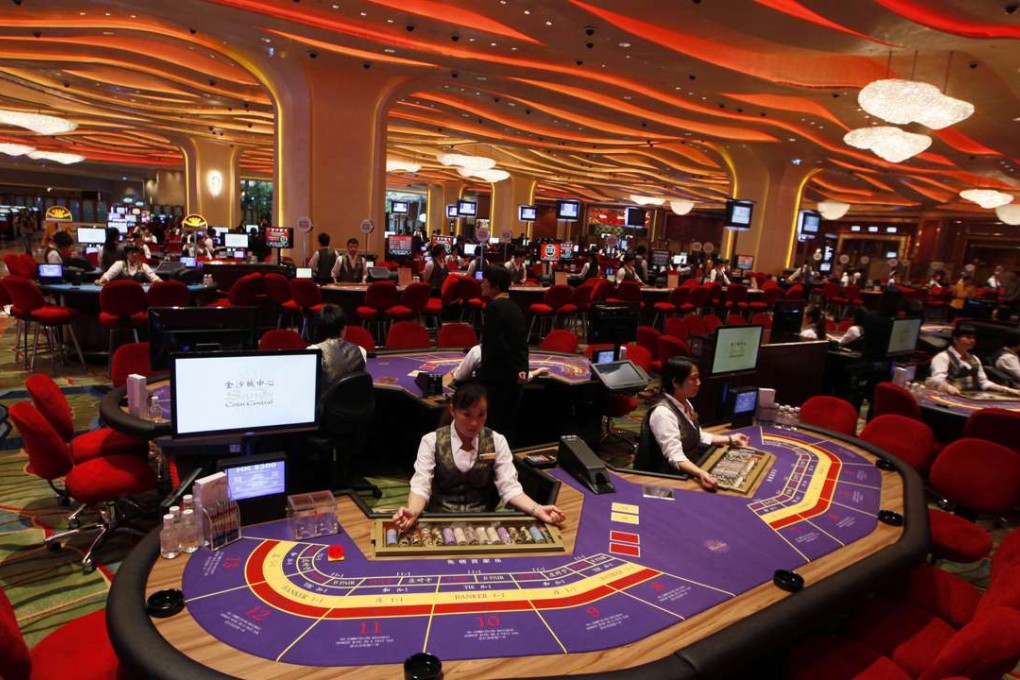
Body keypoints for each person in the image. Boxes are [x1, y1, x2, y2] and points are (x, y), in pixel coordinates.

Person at [392, 382, 565, 527]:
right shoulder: (431, 441)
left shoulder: (497, 440)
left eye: (481, 414)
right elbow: (421, 487)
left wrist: (537, 509)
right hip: (440, 522)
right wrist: (413, 511)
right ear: (452, 411)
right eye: (467, 415)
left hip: (485, 523)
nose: (474, 423)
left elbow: (509, 488)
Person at [636, 357, 750, 489]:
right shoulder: (663, 413)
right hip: (666, 479)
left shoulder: (685, 402)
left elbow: (697, 435)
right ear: (676, 382)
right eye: (693, 379)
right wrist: (701, 473)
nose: (699, 383)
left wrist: (730, 438)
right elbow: (675, 457)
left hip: (688, 469)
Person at [478, 265, 528, 444]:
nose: (482, 284)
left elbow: (494, 347)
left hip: (496, 378)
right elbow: (521, 343)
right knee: (507, 424)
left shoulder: (495, 307)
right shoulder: (514, 305)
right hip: (512, 377)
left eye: (485, 282)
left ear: (496, 286)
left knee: (494, 425)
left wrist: (481, 377)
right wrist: (522, 368)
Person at [925, 324, 1020, 396]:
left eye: (974, 338)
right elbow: (937, 380)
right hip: (949, 396)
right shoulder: (943, 357)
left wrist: (1007, 390)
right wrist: (948, 387)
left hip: (971, 396)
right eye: (968, 337)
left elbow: (983, 383)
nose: (972, 340)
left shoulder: (974, 359)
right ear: (955, 339)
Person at [307, 304, 368, 410]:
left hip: (324, 416)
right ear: (344, 329)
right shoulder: (361, 351)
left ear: (317, 329)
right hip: (356, 414)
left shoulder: (311, 351)